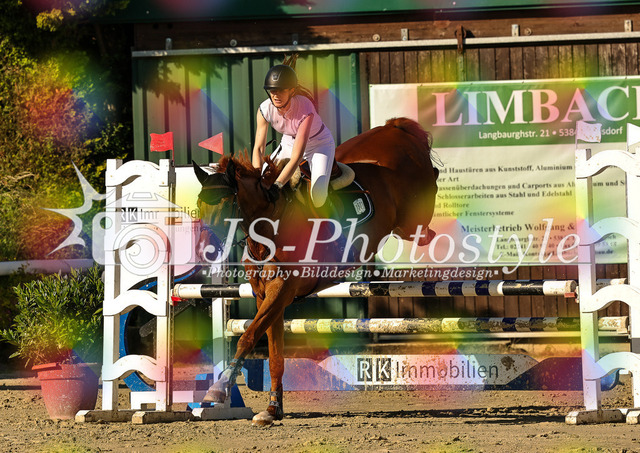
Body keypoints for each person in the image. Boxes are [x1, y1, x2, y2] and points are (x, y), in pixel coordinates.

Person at [252, 58, 336, 210]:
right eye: (272, 90)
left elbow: (297, 157)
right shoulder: (264, 109)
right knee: (264, 177)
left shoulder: (305, 108)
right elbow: (258, 149)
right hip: (289, 142)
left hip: (319, 145)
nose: (275, 95)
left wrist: (277, 185)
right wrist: (256, 178)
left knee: (318, 197)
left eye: (281, 90)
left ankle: (335, 215)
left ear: (292, 91)